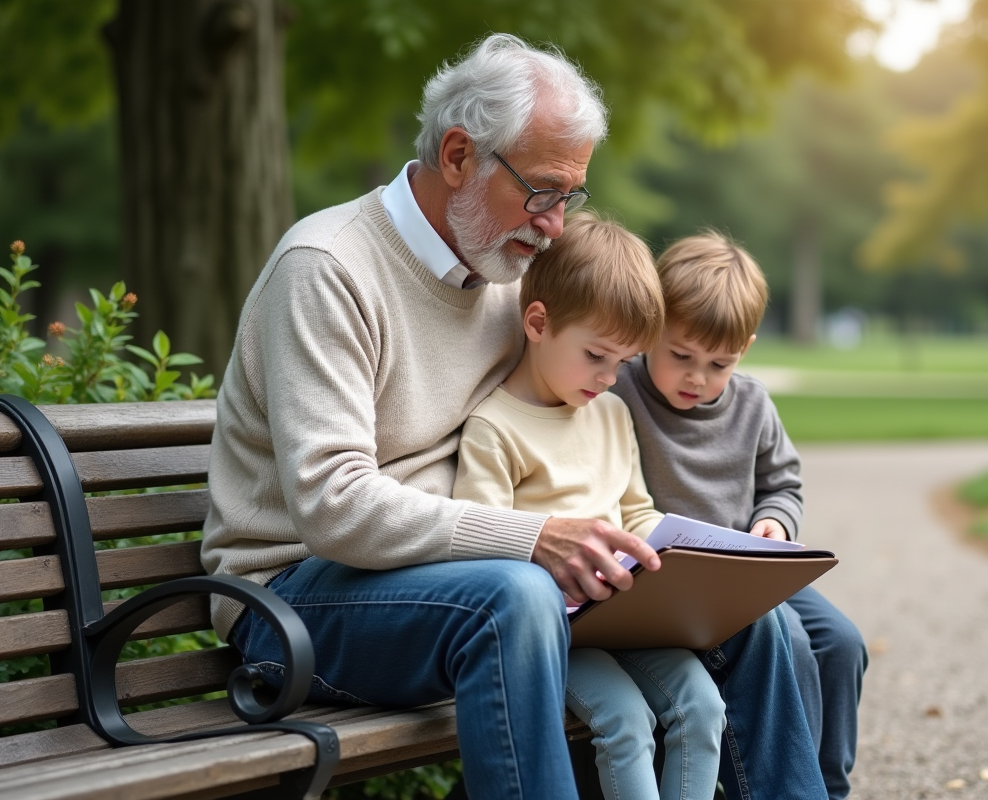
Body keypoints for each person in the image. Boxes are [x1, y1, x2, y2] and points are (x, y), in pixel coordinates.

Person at [201, 33, 821, 800]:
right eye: (544, 191)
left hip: (452, 583)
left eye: (571, 198)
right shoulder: (328, 270)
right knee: (519, 595)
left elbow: (596, 377)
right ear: (459, 155)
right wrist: (534, 539)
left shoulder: (509, 274)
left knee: (752, 619)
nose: (556, 224)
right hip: (297, 598)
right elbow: (333, 507)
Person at [452, 212, 726, 800]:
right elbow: (482, 553)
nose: (608, 378)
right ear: (538, 322)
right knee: (625, 722)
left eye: (622, 363)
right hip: (555, 630)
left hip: (626, 616)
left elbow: (637, 513)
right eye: (596, 355)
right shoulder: (495, 429)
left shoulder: (611, 414)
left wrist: (688, 551)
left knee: (703, 707)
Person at [611, 232, 868, 800]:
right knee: (793, 644)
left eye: (719, 363)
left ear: (745, 349)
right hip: (679, 584)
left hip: (750, 566)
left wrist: (775, 522)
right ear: (652, 325)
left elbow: (782, 484)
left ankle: (827, 787)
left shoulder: (752, 404)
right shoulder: (620, 391)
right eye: (680, 355)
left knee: (842, 643)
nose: (696, 378)